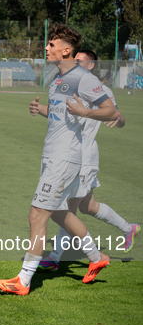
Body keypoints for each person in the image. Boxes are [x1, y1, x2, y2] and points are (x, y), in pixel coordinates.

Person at [0, 24, 120, 295]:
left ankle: (23, 281)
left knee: (37, 215)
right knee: (61, 214)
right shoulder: (57, 79)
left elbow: (111, 111)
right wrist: (41, 109)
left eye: (51, 44)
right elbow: (62, 115)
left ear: (66, 50)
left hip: (64, 159)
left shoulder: (83, 78)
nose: (46, 48)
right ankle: (97, 258)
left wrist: (86, 112)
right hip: (52, 155)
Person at [37, 50, 138, 270]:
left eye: (79, 61)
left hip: (84, 156)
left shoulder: (100, 89)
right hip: (70, 153)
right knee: (87, 207)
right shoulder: (70, 84)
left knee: (66, 208)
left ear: (90, 66)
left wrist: (117, 118)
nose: (75, 64)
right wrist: (41, 109)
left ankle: (56, 257)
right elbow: (63, 115)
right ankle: (128, 228)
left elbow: (118, 117)